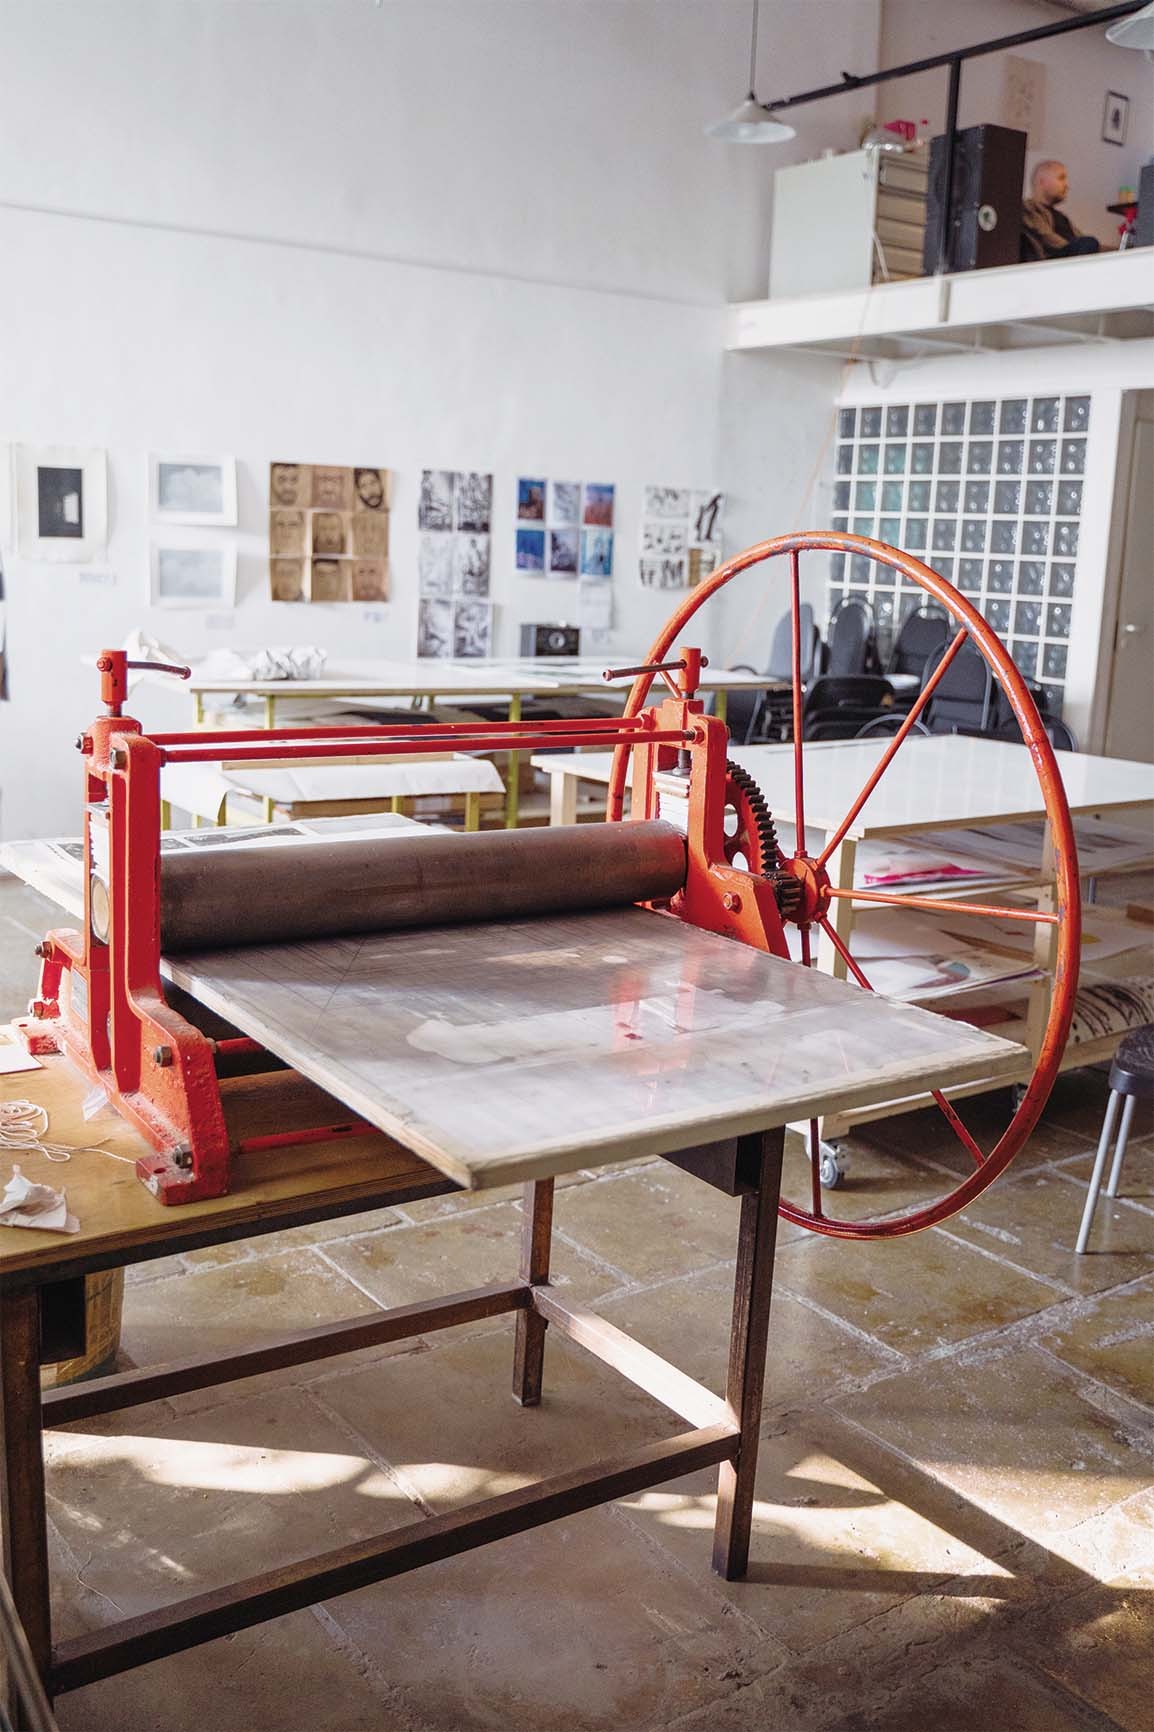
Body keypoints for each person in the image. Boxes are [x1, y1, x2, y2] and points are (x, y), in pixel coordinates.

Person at [1021, 161, 1101, 262]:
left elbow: (1080, 238)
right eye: (1061, 178)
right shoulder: (1027, 208)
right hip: (1052, 261)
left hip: (1073, 255)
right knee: (1089, 242)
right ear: (1042, 182)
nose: (1066, 185)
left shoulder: (1062, 217)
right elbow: (1044, 236)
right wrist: (1076, 247)